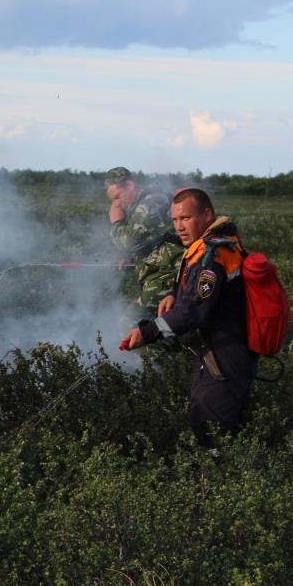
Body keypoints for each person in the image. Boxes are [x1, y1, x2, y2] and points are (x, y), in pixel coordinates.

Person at [120, 188, 256, 445]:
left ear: (207, 215)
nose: (179, 227)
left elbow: (194, 310)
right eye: (174, 220)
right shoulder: (208, 248)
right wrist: (174, 293)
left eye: (186, 218)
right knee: (210, 421)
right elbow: (195, 293)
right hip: (215, 352)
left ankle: (215, 480)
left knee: (210, 429)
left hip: (225, 355)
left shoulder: (213, 256)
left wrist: (147, 332)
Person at [104, 166, 183, 319]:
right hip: (165, 273)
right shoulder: (147, 201)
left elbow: (128, 241)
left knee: (131, 322)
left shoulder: (151, 202)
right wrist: (134, 259)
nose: (117, 204)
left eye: (117, 197)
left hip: (169, 275)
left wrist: (117, 222)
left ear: (129, 186)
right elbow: (156, 240)